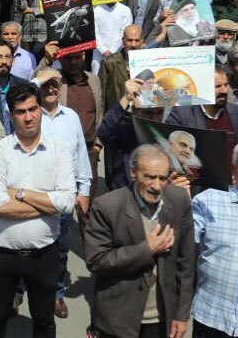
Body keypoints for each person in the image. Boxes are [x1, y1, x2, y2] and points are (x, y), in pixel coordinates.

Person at [0, 82, 76, 338]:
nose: (28, 117)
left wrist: (22, 194)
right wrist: (48, 206)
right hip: (1, 255)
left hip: (43, 255)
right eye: (20, 111)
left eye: (32, 109)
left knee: (44, 322)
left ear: (40, 110)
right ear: (11, 115)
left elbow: (68, 202)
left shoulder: (59, 152)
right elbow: (0, 205)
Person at [85, 144, 195, 338]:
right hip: (118, 319)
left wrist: (181, 315)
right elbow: (96, 260)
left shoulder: (180, 200)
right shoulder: (107, 206)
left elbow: (186, 264)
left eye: (163, 178)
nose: (156, 186)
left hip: (161, 318)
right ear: (133, 172)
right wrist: (147, 249)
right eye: (149, 177)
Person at [33, 67, 92, 318]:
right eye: (45, 84)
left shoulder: (71, 117)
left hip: (64, 197)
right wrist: (38, 80)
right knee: (29, 247)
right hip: (35, 196)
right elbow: (10, 106)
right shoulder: (29, 114)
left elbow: (81, 154)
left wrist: (84, 190)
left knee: (60, 250)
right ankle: (20, 291)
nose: (51, 88)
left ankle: (56, 294)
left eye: (55, 84)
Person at [190, 145, 238, 338]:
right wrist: (178, 199)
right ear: (234, 170)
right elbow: (181, 241)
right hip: (212, 317)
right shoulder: (208, 200)